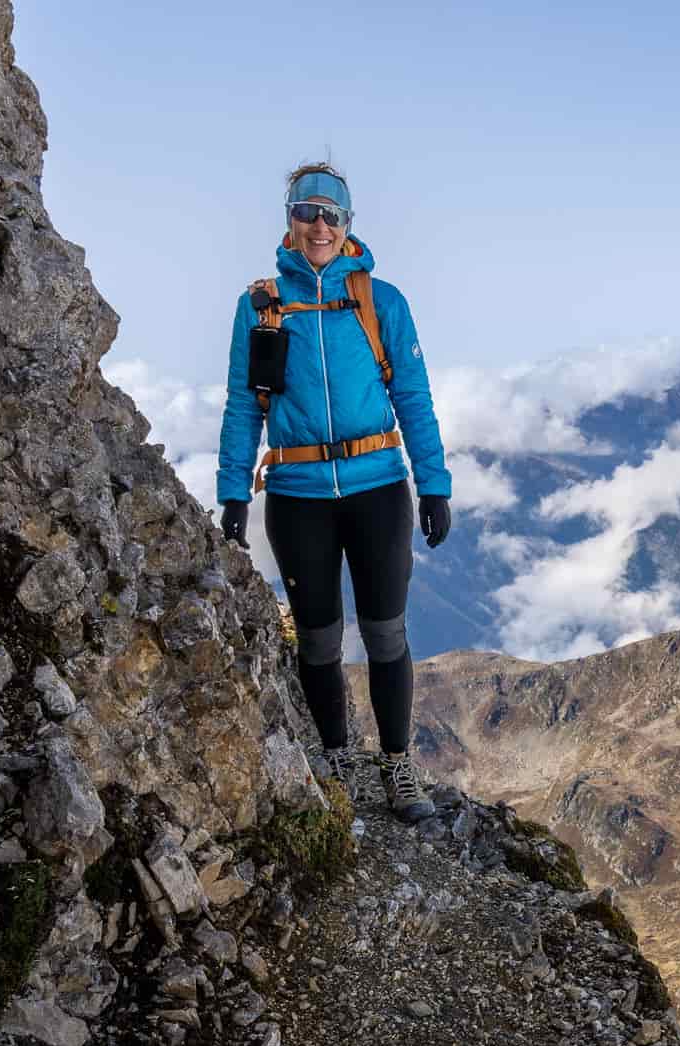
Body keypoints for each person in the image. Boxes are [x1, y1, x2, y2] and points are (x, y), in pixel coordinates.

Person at [215, 162, 451, 822]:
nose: (319, 225)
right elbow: (245, 404)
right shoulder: (262, 307)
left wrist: (433, 484)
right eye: (307, 211)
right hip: (296, 493)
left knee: (385, 633)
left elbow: (412, 396)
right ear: (288, 217)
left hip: (378, 486)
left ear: (349, 226)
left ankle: (398, 769)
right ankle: (340, 759)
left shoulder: (382, 303)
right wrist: (234, 492)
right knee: (318, 641)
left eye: (332, 215)